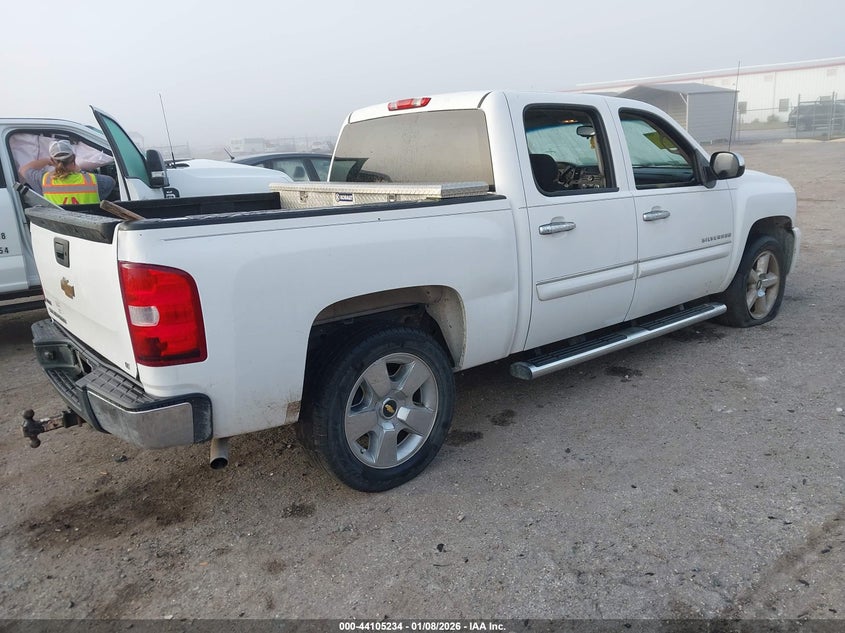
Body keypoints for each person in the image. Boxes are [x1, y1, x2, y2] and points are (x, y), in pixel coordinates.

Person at [18, 139, 115, 205]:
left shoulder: (44, 180)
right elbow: (111, 182)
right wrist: (80, 171)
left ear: (53, 160)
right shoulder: (93, 180)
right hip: (88, 230)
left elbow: (24, 170)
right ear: (74, 158)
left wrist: (47, 161)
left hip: (60, 231)